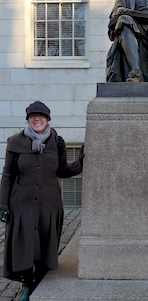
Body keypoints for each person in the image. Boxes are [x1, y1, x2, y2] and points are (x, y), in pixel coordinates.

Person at [0, 101, 84, 301]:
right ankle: (27, 285)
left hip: (49, 204)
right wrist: (3, 205)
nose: (37, 119)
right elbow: (8, 175)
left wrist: (81, 163)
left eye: (41, 116)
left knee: (45, 243)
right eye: (33, 116)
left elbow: (61, 171)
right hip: (22, 203)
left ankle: (39, 280)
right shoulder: (15, 142)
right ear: (28, 120)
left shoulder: (58, 142)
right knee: (25, 245)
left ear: (47, 120)